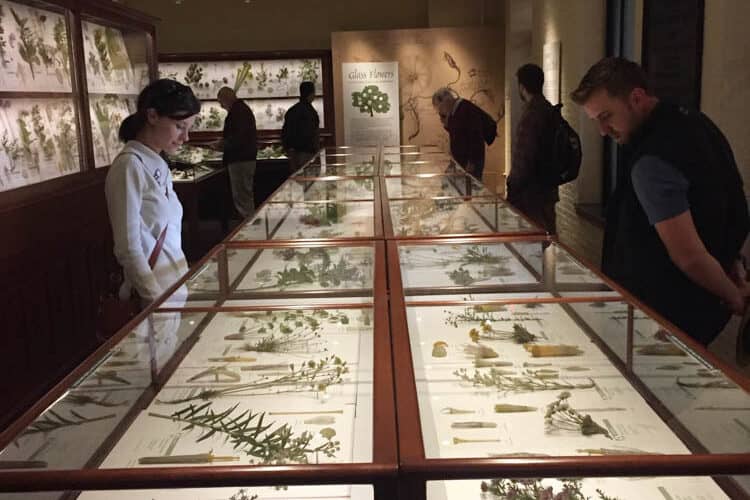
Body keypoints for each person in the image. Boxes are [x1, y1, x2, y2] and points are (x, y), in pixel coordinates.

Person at [570, 56, 749, 345]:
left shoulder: (652, 160)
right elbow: (729, 205)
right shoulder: (696, 122)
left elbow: (688, 255)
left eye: (605, 117)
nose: (603, 131)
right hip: (701, 308)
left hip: (666, 314)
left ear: (637, 98)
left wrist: (733, 297)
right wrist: (733, 265)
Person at [105, 78, 200, 307]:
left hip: (173, 289)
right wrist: (155, 300)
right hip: (155, 299)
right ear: (152, 116)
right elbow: (128, 248)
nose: (185, 138)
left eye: (189, 128)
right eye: (179, 127)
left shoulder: (157, 163)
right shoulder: (129, 166)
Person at [507, 63, 559, 234]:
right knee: (548, 236)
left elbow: (524, 156)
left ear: (522, 87)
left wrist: (512, 186)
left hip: (530, 193)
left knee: (533, 239)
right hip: (547, 188)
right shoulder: (548, 110)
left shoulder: (532, 115)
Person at [432, 87, 494, 179]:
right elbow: (456, 134)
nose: (439, 110)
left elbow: (476, 135)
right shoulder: (453, 111)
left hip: (471, 160)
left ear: (446, 101)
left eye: (439, 106)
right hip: (462, 160)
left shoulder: (465, 108)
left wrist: (472, 161)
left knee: (472, 187)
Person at [217, 86, 257, 217]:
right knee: (243, 194)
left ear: (227, 98)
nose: (221, 106)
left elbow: (238, 137)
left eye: (221, 102)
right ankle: (248, 223)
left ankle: (247, 225)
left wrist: (222, 144)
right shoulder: (241, 110)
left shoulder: (238, 112)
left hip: (240, 159)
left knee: (242, 195)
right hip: (244, 157)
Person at [282, 81, 320, 173]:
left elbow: (286, 133)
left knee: (298, 180)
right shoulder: (310, 112)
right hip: (307, 153)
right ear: (311, 94)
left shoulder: (292, 110)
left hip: (294, 153)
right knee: (308, 179)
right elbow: (312, 134)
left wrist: (289, 150)